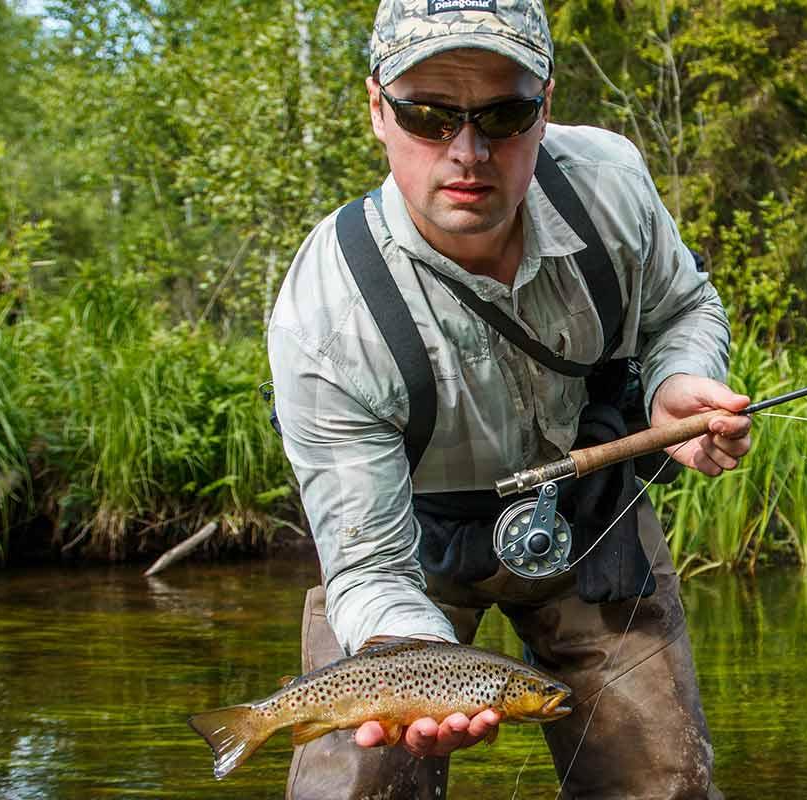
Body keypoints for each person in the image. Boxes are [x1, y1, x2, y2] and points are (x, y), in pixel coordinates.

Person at [266, 0, 751, 796]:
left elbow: (681, 307)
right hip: (407, 550)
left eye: (505, 112)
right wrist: (418, 661)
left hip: (588, 515)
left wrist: (675, 381)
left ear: (546, 105)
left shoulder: (609, 189)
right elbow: (366, 566)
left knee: (664, 786)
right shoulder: (327, 317)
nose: (468, 151)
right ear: (377, 111)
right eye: (428, 114)